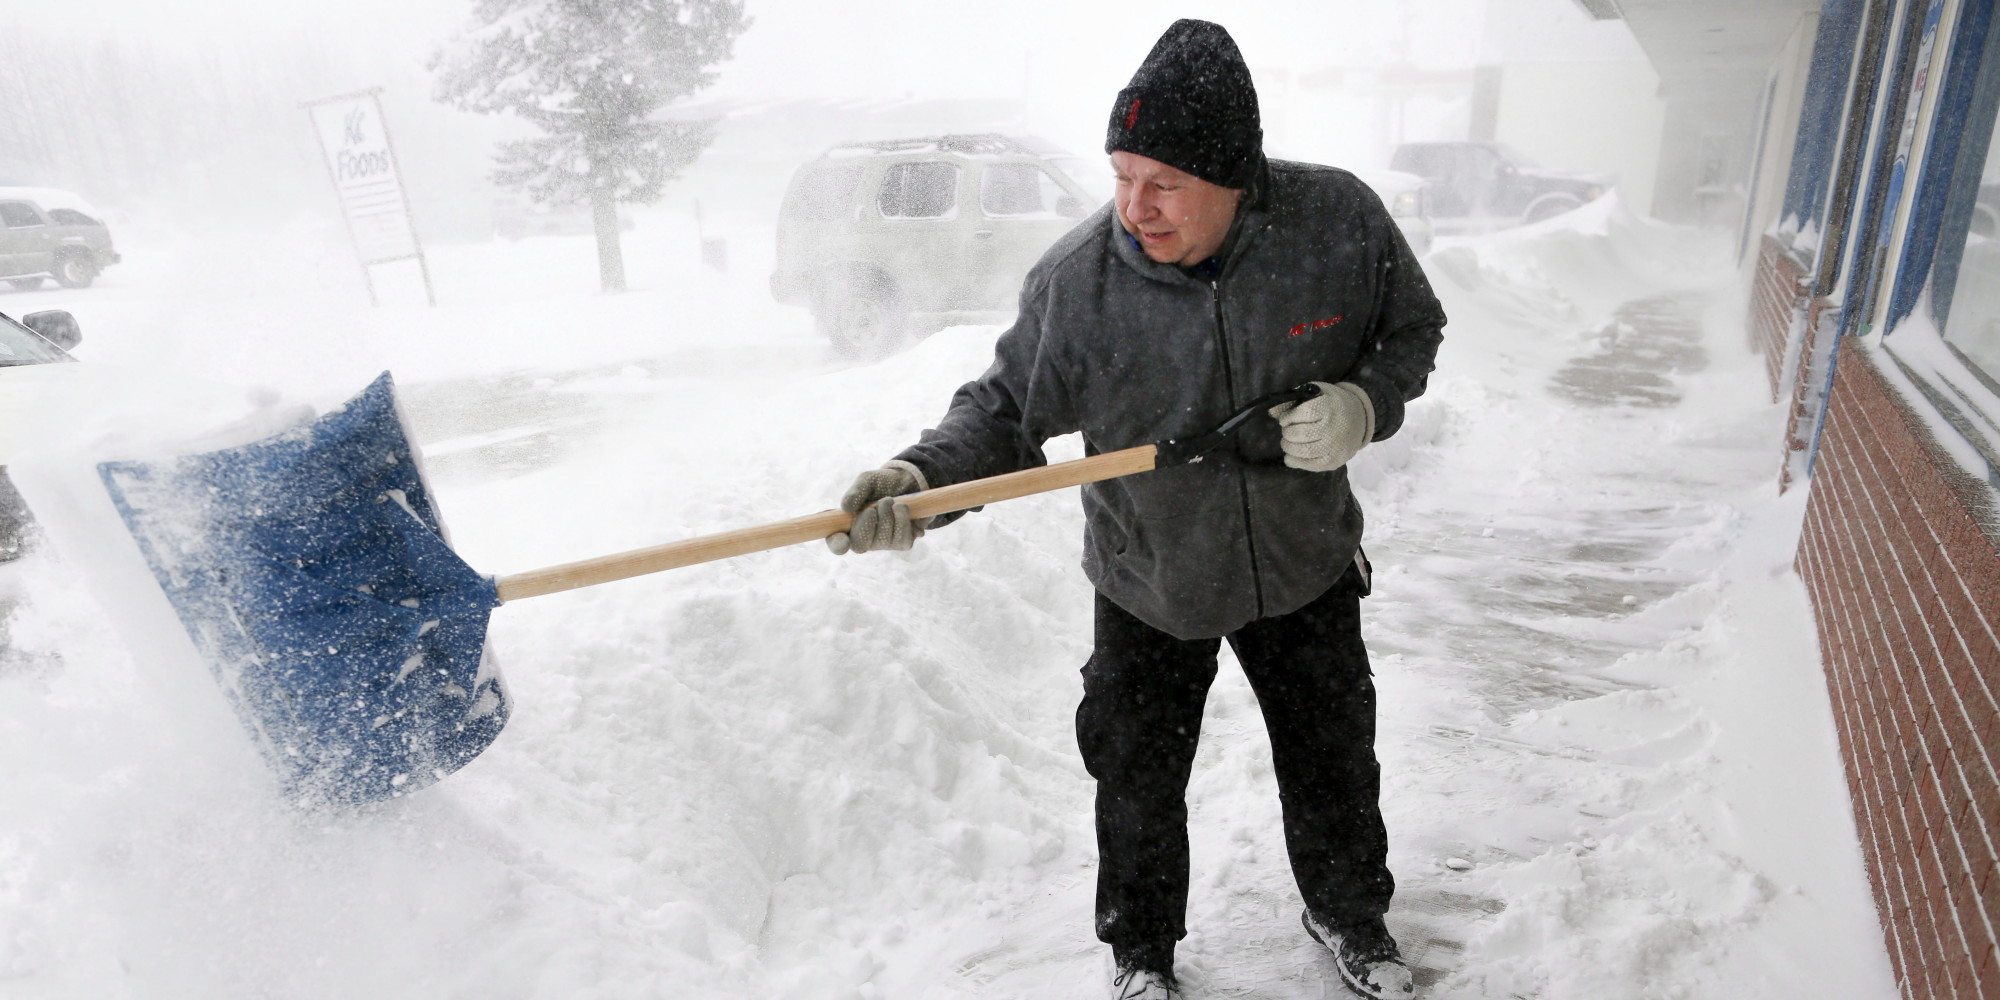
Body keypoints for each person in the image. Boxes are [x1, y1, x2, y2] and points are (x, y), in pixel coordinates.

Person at [826, 19, 1444, 1000]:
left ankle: (1347, 913)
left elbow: (1410, 325)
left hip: (1301, 558)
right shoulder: (1081, 285)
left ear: (1233, 177)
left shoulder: (1336, 223)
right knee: (1136, 779)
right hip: (1150, 572)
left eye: (1163, 184)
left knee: (1331, 758)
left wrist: (1364, 402)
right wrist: (919, 480)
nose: (1134, 207)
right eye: (1121, 175)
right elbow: (999, 412)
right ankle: (1141, 952)